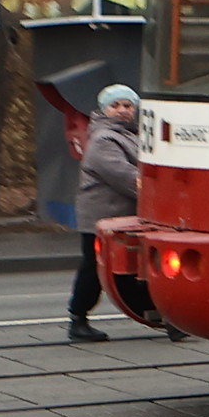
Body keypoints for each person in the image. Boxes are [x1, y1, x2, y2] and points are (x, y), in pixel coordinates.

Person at [70, 85, 146, 342]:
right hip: (101, 220)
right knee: (94, 269)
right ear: (104, 110)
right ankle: (78, 319)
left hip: (121, 219)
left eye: (128, 106)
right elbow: (126, 177)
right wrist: (164, 194)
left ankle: (157, 314)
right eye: (116, 106)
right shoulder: (104, 139)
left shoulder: (132, 135)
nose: (123, 110)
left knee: (126, 271)